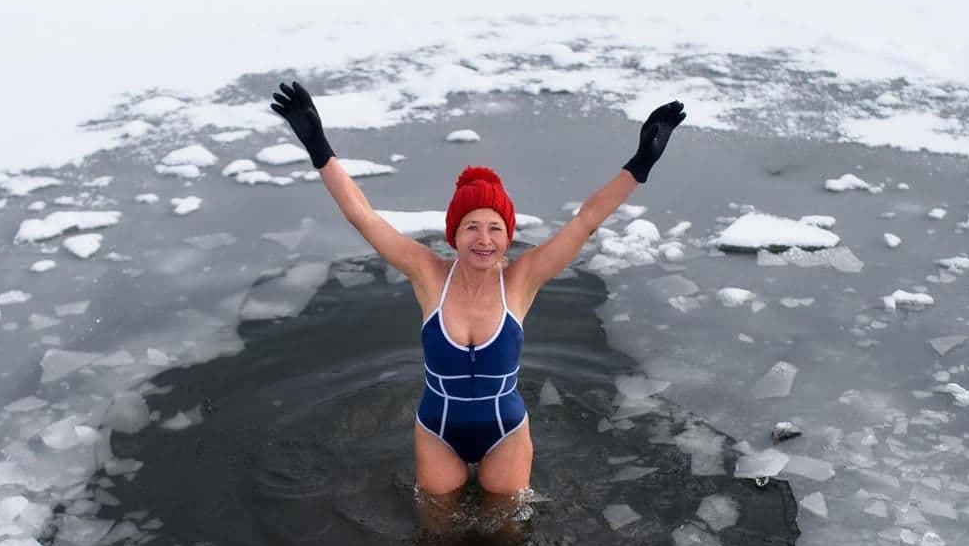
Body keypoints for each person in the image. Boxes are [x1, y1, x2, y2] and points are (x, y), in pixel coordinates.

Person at [271, 81, 686, 499]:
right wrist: (319, 147)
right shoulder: (428, 274)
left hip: (505, 431)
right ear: (454, 235)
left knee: (507, 537)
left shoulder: (521, 280)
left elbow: (585, 221)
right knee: (438, 538)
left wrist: (640, 165)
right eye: (472, 227)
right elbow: (364, 217)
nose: (483, 239)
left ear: (508, 237)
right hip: (438, 430)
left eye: (495, 228)